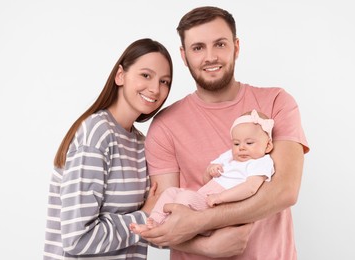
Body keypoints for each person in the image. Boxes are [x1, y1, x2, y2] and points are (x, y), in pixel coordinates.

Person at [140, 6, 309, 260]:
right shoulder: (165, 125)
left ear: (236, 47)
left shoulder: (276, 102)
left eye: (219, 44)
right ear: (184, 56)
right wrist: (206, 246)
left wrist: (200, 221)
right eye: (198, 48)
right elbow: (164, 218)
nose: (210, 57)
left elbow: (285, 191)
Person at [43, 38, 173, 260]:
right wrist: (143, 216)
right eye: (146, 75)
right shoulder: (97, 134)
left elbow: (147, 229)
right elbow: (77, 239)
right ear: (120, 75)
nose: (155, 89)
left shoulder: (141, 143)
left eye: (165, 82)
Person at [130, 109, 275, 234]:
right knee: (171, 192)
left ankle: (167, 228)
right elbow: (206, 181)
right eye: (236, 143)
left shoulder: (260, 162)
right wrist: (209, 171)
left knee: (185, 198)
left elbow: (250, 188)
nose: (241, 147)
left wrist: (220, 197)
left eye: (249, 143)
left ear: (268, 146)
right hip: (204, 196)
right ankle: (154, 221)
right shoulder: (230, 156)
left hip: (218, 206)